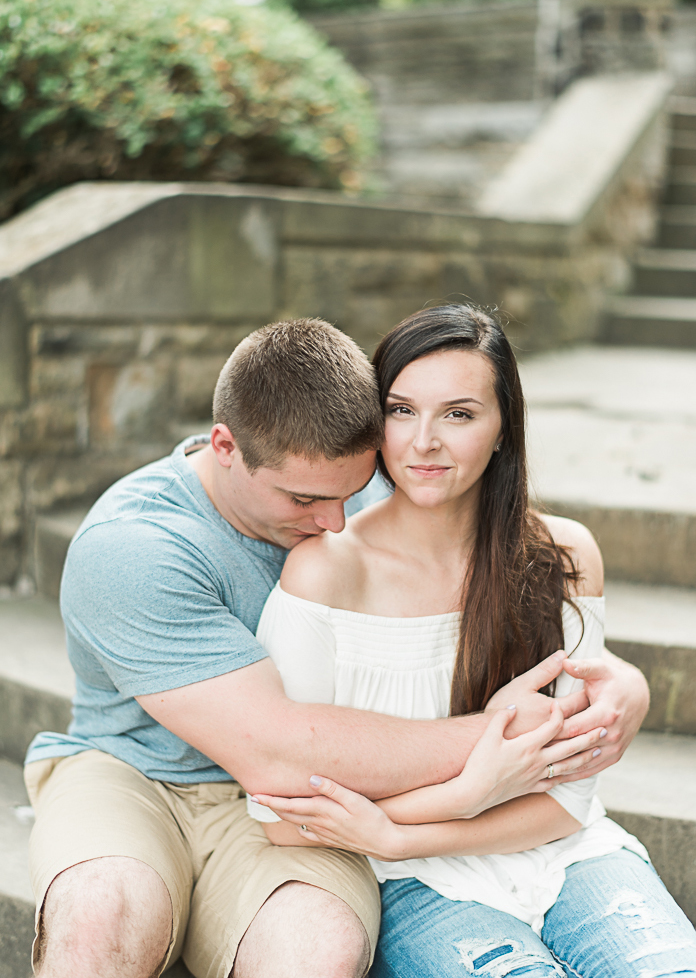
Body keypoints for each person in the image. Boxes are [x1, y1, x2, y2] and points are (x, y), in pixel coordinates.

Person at [23, 317, 653, 978]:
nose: (335, 524)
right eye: (305, 498)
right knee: (97, 916)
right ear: (225, 445)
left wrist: (618, 687)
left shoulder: (359, 472)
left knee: (317, 946)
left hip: (297, 811)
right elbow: (282, 754)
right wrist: (525, 735)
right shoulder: (133, 548)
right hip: (140, 774)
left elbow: (501, 581)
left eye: (351, 494)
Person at [246, 305, 696, 977]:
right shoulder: (326, 572)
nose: (423, 441)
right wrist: (433, 819)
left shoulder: (562, 555)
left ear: (502, 430)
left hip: (566, 853)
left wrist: (396, 825)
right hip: (411, 882)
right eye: (401, 410)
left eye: (458, 413)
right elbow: (282, 812)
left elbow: (567, 798)